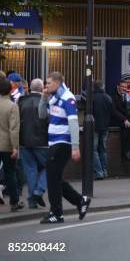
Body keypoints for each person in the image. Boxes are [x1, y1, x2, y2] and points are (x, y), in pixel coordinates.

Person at [38, 72, 91, 224]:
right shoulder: (54, 98)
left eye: (48, 83)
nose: (46, 86)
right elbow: (42, 115)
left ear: (57, 83)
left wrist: (75, 147)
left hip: (63, 143)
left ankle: (56, 213)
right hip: (54, 142)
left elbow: (73, 123)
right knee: (55, 178)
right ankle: (80, 201)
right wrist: (43, 97)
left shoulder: (67, 98)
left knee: (52, 178)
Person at [18, 78, 48, 209]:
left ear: (30, 88)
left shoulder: (21, 101)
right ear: (42, 89)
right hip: (42, 141)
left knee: (30, 170)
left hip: (24, 141)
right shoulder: (46, 101)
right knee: (50, 166)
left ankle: (31, 200)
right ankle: (38, 191)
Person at [0, 77, 22, 212]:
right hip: (7, 145)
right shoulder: (12, 106)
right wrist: (15, 147)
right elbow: (14, 128)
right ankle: (14, 201)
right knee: (10, 173)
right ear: (10, 90)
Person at [110, 79, 130, 162]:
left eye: (125, 87)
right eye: (122, 87)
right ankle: (125, 152)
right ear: (118, 87)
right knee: (127, 127)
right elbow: (114, 111)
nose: (124, 88)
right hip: (113, 120)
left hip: (121, 118)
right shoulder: (113, 96)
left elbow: (125, 111)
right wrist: (124, 120)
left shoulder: (123, 96)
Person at [91, 81, 113, 180]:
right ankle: (104, 171)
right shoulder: (108, 97)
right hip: (105, 127)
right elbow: (112, 111)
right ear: (102, 87)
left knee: (93, 150)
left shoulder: (92, 98)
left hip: (95, 127)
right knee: (103, 149)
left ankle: (99, 172)